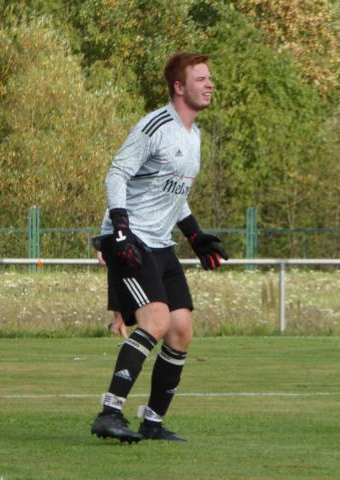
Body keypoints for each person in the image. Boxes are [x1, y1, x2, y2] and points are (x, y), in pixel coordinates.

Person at [90, 52, 228, 443]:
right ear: (178, 87)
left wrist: (195, 236)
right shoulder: (155, 126)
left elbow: (173, 194)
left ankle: (152, 422)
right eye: (200, 79)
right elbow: (117, 173)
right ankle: (109, 413)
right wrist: (120, 228)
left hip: (160, 243)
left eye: (209, 78)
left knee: (181, 330)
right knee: (156, 320)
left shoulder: (194, 136)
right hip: (130, 239)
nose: (209, 84)